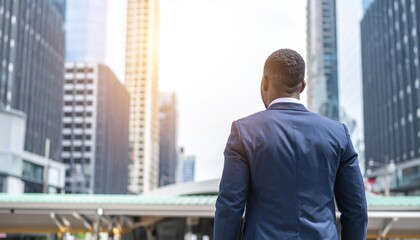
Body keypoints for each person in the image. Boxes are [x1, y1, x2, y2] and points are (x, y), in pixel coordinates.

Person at [214, 49, 367, 240]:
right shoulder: (338, 134)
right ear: (302, 86)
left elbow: (230, 207)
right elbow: (356, 209)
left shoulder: (244, 132)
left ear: (264, 83)